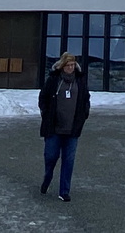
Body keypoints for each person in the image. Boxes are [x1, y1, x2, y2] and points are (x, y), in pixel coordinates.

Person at [38, 52, 91, 203]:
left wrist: (84, 114)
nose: (70, 68)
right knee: (51, 157)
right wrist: (45, 113)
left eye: (73, 65)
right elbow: (43, 97)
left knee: (69, 160)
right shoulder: (54, 80)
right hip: (54, 128)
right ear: (62, 66)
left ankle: (64, 191)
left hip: (72, 128)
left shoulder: (79, 81)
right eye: (68, 65)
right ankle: (47, 178)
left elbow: (86, 98)